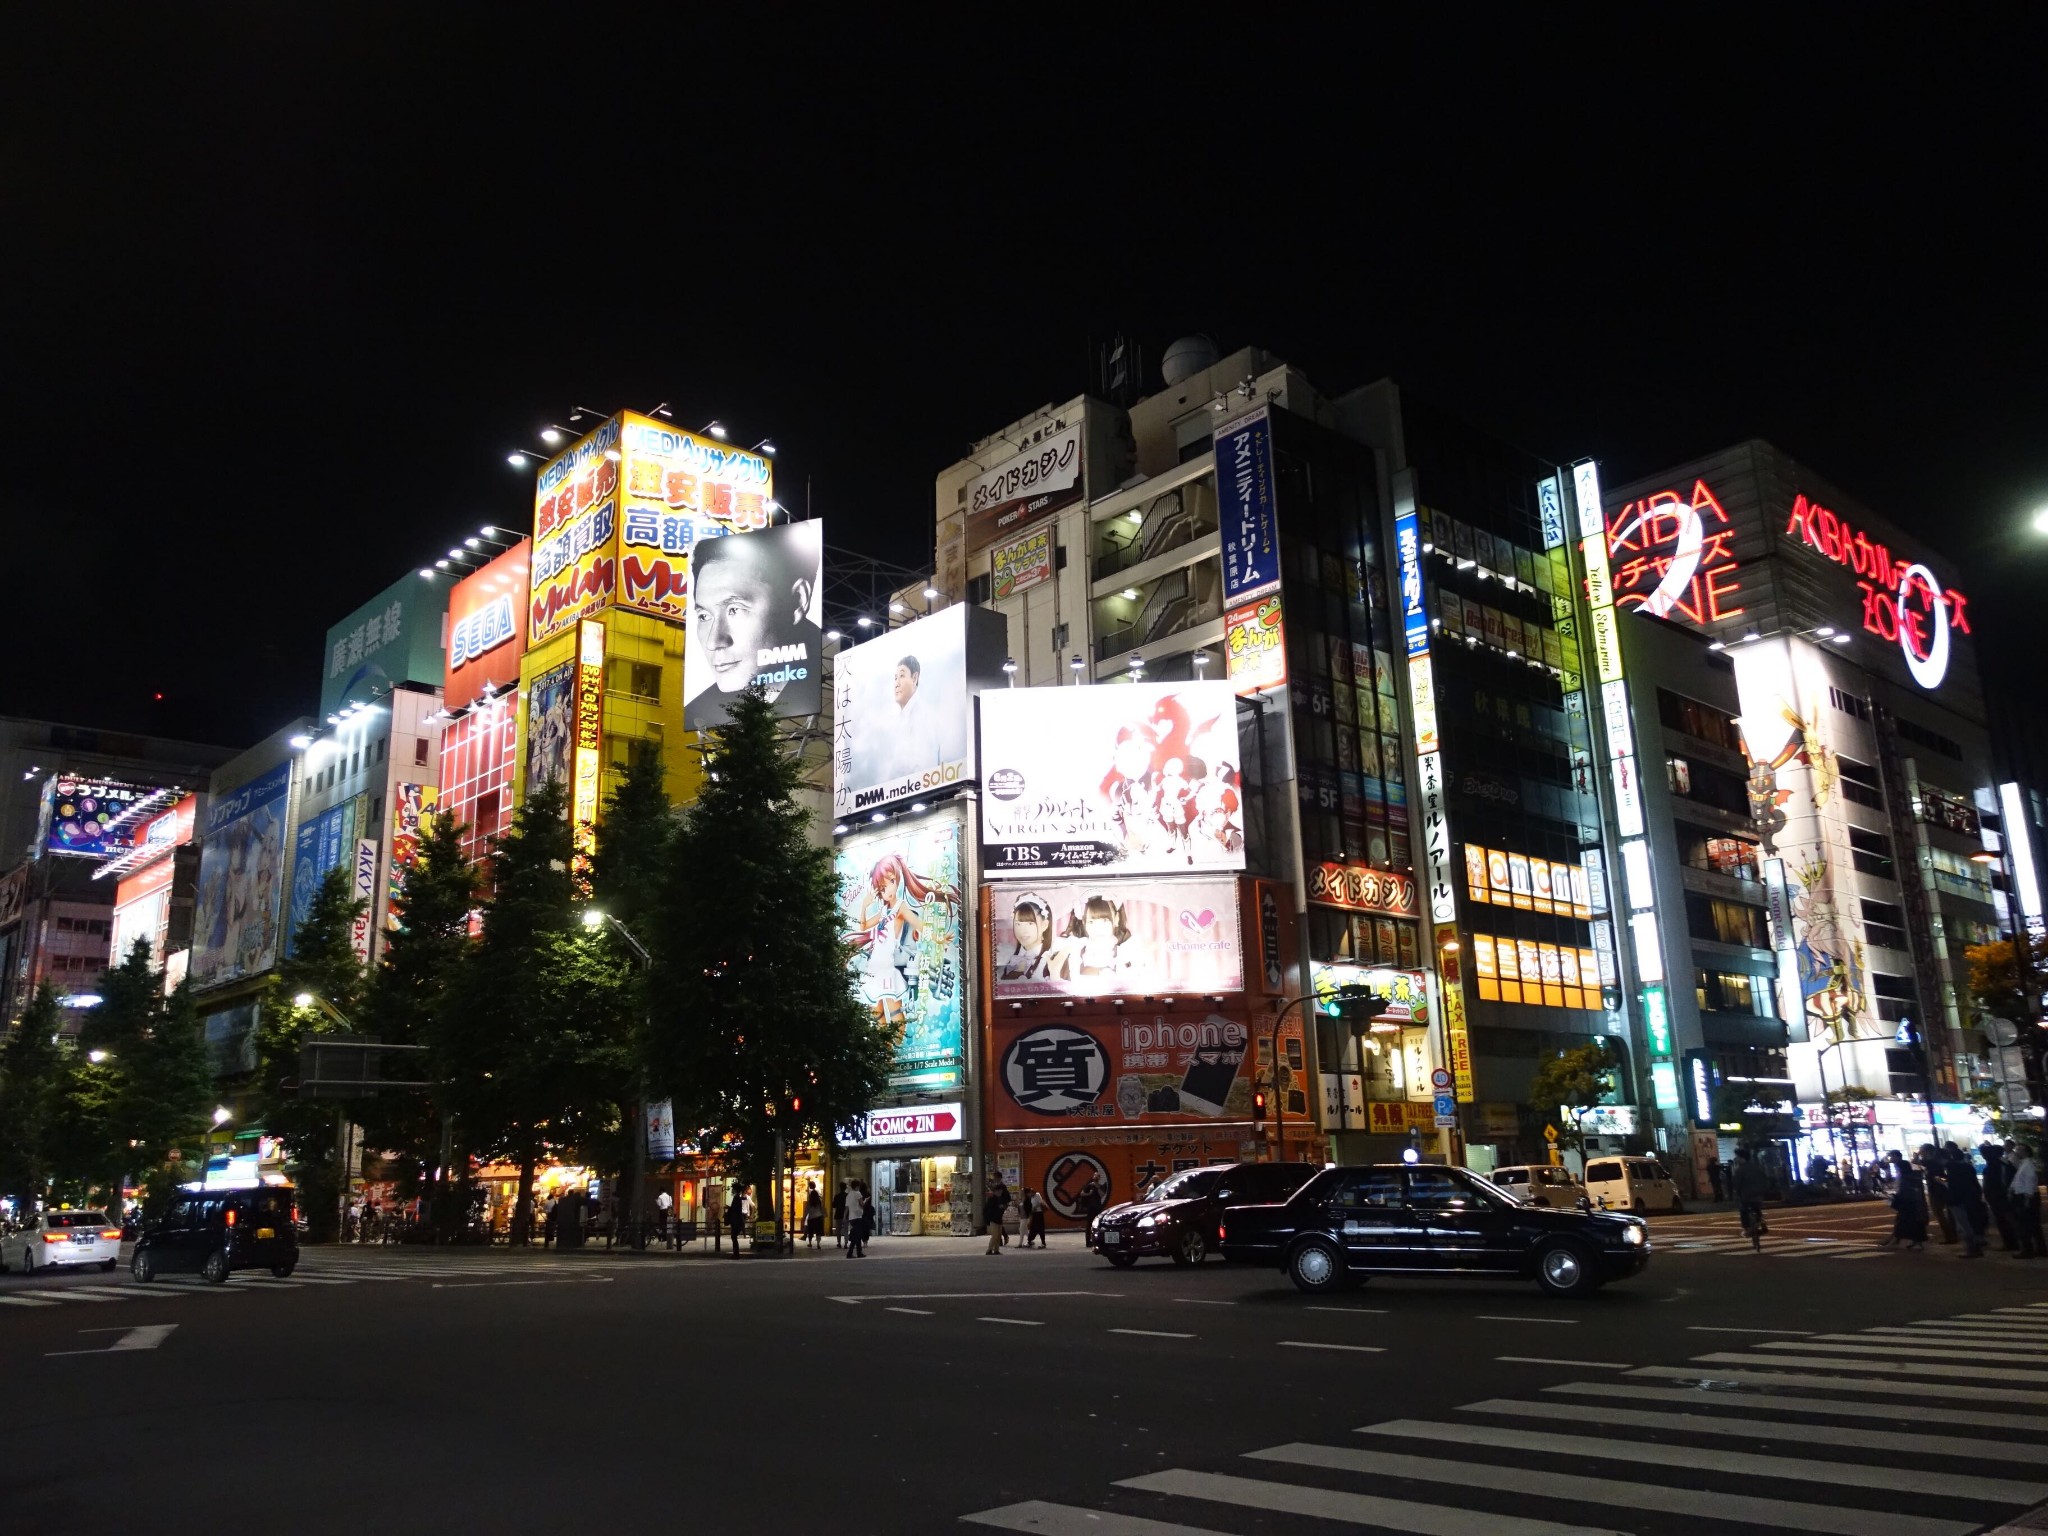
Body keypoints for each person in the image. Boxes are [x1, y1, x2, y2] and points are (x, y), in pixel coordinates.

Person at [683, 525, 823, 731]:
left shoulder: (836, 684)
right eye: (704, 616)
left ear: (797, 601)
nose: (714, 641)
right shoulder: (699, 710)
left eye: (734, 609)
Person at [877, 654, 945, 781]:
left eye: (902, 676)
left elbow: (924, 769)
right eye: (895, 678)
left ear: (914, 678)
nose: (896, 684)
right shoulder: (899, 719)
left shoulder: (923, 717)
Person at [1944, 1141, 1988, 1258]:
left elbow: (1953, 1185)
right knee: (1971, 1222)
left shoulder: (1953, 1168)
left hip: (1959, 1199)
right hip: (1971, 1198)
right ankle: (1976, 1245)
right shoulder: (1968, 1167)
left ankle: (1972, 1249)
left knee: (1964, 1225)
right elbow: (1974, 1184)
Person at [1881, 1150, 1927, 1249]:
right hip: (1909, 1199)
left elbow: (1903, 1186)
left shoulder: (1903, 1171)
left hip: (1907, 1199)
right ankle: (1915, 1241)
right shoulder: (1905, 1172)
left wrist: (1897, 1195)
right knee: (1909, 1220)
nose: (1890, 1159)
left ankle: (1896, 1240)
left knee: (1904, 1220)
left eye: (1892, 1156)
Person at [1982, 1139, 2019, 1251]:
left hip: (2000, 1197)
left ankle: (2010, 1243)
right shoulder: (2004, 1164)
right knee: (2006, 1221)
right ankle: (2012, 1242)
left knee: (2003, 1221)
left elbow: (1994, 1184)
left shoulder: (1995, 1166)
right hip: (2002, 1197)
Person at [2010, 1144, 2045, 1259]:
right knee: (2033, 1225)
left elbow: (2031, 1181)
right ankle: (2040, 1249)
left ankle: (2028, 1249)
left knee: (2025, 1225)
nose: (2017, 1152)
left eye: (2019, 1150)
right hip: (2027, 1196)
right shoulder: (2025, 1163)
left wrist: (2027, 1198)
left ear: (2025, 1151)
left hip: (2026, 1197)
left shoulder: (2028, 1164)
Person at [1729, 1146, 1770, 1241]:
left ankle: (1747, 1229)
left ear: (1742, 1158)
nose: (1736, 1159)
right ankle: (1761, 1222)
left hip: (1746, 1195)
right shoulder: (1757, 1167)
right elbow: (1765, 1179)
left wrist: (1736, 1193)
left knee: (1743, 1210)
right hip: (1759, 1194)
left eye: (1737, 1157)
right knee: (1757, 1208)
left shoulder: (1740, 1170)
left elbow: (1736, 1184)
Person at [1920, 1143, 1957, 1244]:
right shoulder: (1935, 1161)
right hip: (1940, 1190)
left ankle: (1949, 1236)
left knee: (1939, 1214)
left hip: (1937, 1191)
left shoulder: (1931, 1162)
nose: (1921, 1153)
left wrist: (1939, 1180)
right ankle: (1952, 1234)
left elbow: (1939, 1176)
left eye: (1922, 1151)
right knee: (1946, 1214)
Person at [984, 1179, 1012, 1255]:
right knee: (995, 1235)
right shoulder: (992, 1199)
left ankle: (996, 1250)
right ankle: (989, 1249)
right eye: (999, 1191)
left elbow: (1001, 1207)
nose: (1000, 1192)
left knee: (999, 1235)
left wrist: (1002, 1207)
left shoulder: (1000, 1198)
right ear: (996, 1191)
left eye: (1001, 1191)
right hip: (994, 1219)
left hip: (999, 1219)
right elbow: (988, 1210)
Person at [725, 1181, 749, 1257]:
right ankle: (736, 1253)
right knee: (734, 1237)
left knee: (734, 1237)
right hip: (737, 1220)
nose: (732, 1190)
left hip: (736, 1221)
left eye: (733, 1189)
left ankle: (736, 1254)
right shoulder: (738, 1197)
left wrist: (729, 1208)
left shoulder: (736, 1198)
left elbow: (735, 1209)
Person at [844, 1182, 867, 1258]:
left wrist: (845, 1217)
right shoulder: (858, 1193)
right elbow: (862, 1204)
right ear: (857, 1186)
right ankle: (851, 1253)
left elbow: (847, 1208)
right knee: (857, 1235)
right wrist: (865, 1200)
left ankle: (858, 1252)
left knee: (857, 1234)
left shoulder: (848, 1195)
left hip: (851, 1217)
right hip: (858, 1216)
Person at [803, 1182, 823, 1249]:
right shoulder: (819, 1202)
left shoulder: (809, 1203)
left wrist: (804, 1217)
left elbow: (806, 1211)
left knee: (810, 1231)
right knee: (818, 1231)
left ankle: (810, 1243)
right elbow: (821, 1209)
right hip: (818, 1217)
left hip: (811, 1218)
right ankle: (818, 1244)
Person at [833, 1180, 849, 1249]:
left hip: (838, 1214)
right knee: (846, 1229)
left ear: (840, 1188)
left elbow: (833, 1205)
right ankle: (846, 1243)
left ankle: (839, 1242)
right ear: (845, 1188)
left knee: (838, 1230)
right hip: (846, 1214)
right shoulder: (847, 1196)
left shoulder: (837, 1196)